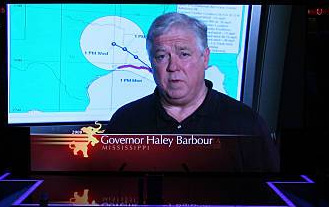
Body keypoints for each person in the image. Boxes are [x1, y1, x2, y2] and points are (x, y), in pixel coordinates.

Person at [106, 12, 279, 172]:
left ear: (205, 58)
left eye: (184, 54)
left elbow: (269, 199)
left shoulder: (248, 126)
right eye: (161, 56)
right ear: (151, 63)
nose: (173, 67)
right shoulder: (124, 122)